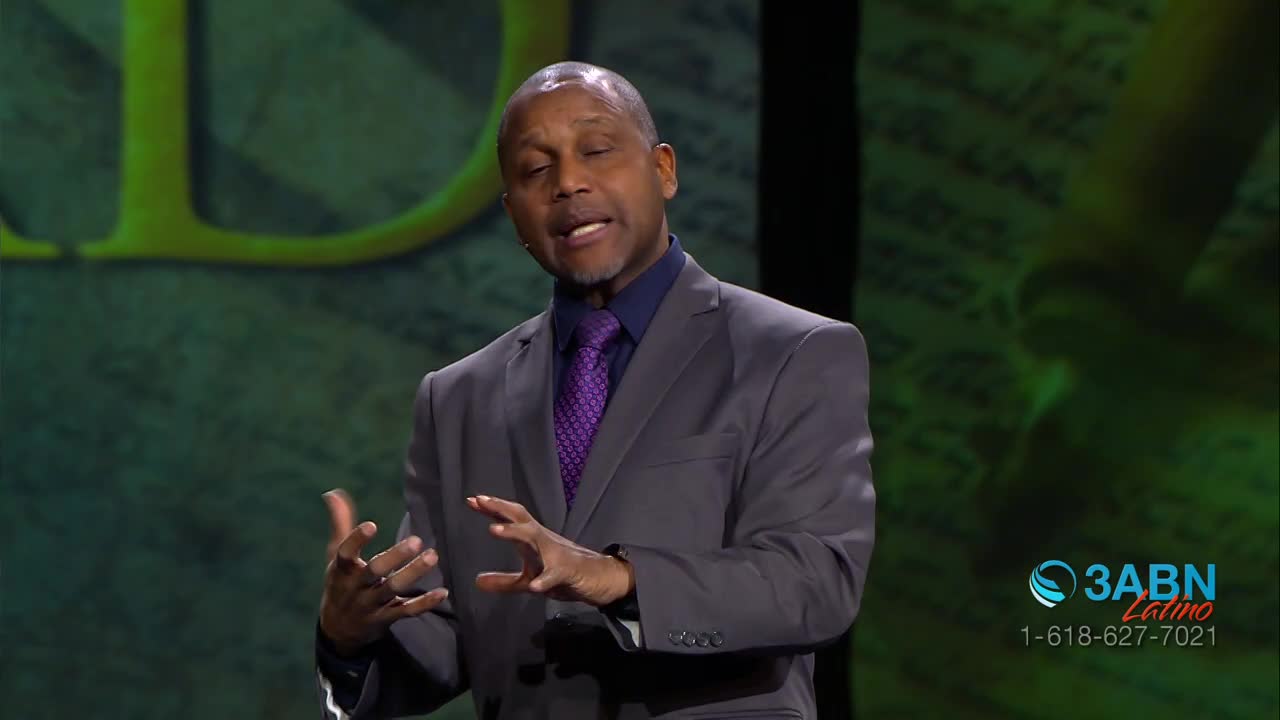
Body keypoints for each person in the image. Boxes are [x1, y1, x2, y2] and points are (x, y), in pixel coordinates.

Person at [314, 61, 876, 719]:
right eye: (534, 170)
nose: (568, 183)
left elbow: (816, 584)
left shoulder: (792, 352)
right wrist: (351, 636)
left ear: (664, 169)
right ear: (513, 214)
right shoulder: (457, 397)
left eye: (597, 150)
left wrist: (617, 580)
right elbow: (447, 648)